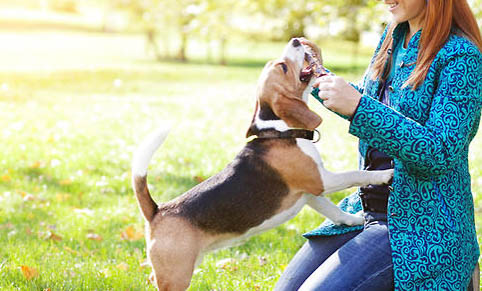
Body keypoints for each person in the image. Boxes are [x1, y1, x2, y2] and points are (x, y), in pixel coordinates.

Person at [275, 0, 482, 290]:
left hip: (419, 227)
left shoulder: (461, 56)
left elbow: (440, 151)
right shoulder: (393, 38)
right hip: (365, 209)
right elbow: (370, 102)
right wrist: (319, 75)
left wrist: (359, 108)